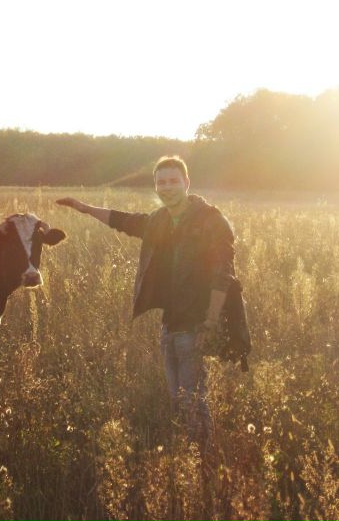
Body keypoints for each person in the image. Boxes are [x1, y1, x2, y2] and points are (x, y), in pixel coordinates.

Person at [56, 155, 235, 449]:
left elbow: (222, 274)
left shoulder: (211, 220)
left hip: (196, 325)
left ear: (186, 183)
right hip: (170, 325)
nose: (167, 188)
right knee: (178, 398)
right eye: (161, 182)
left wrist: (211, 322)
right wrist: (84, 208)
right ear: (155, 186)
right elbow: (124, 221)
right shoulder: (159, 221)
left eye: (173, 181)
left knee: (193, 399)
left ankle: (204, 461)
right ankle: (190, 456)